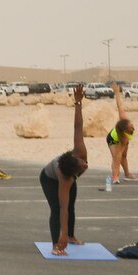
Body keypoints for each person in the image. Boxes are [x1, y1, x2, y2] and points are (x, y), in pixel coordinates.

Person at [40, 83, 89, 256]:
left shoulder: (80, 150)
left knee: (72, 206)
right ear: (73, 172)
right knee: (57, 208)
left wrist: (78, 103)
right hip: (48, 178)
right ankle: (56, 245)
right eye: (82, 166)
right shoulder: (65, 179)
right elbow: (62, 208)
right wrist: (62, 236)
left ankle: (72, 236)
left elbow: (78, 126)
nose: (85, 165)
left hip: (64, 172)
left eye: (82, 163)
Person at [105, 82, 138, 185]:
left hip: (122, 138)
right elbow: (117, 158)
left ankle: (127, 174)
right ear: (125, 131)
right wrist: (116, 175)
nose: (133, 126)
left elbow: (120, 105)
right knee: (117, 157)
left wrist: (117, 93)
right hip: (113, 139)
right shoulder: (123, 139)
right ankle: (115, 177)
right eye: (131, 127)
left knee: (125, 155)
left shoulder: (124, 119)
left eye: (131, 124)